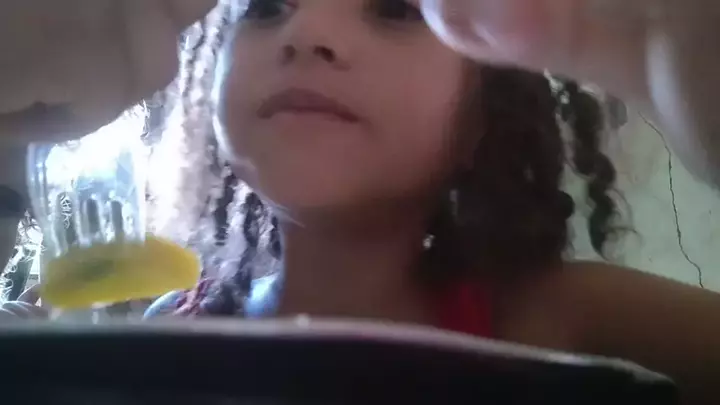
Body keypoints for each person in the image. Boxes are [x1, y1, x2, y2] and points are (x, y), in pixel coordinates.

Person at [0, 0, 719, 404]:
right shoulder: (171, 323)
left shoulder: (560, 313)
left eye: (394, 9)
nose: (307, 33)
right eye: (266, 6)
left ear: (485, 114)